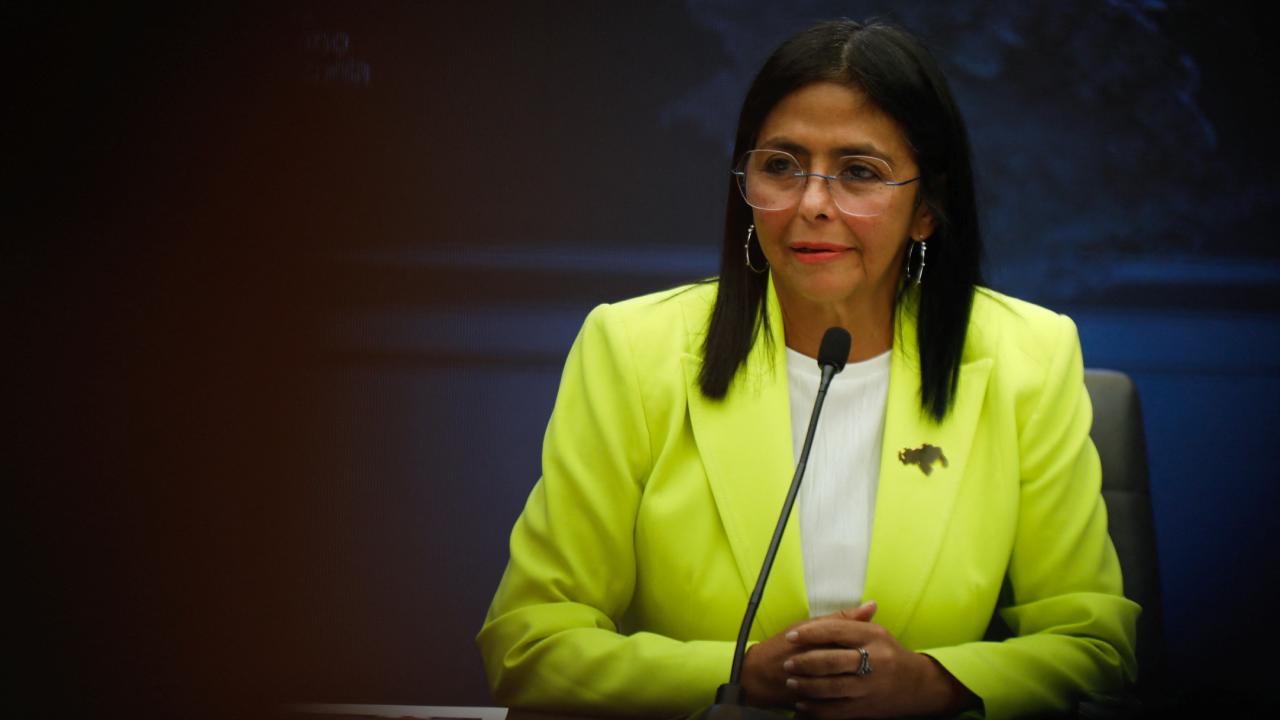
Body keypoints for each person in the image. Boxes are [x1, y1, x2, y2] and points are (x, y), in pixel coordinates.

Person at [476, 18, 1138, 720]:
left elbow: (1092, 641)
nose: (812, 203)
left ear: (926, 209)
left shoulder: (1028, 356)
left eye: (859, 172)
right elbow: (529, 643)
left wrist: (932, 683)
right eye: (782, 166)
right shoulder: (633, 350)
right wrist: (734, 674)